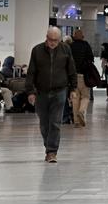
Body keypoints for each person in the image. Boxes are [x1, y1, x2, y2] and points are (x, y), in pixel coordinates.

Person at [26, 27, 77, 163]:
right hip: (41, 92)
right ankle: (48, 146)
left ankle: (52, 151)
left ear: (59, 39)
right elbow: (31, 72)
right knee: (44, 124)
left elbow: (71, 70)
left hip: (59, 91)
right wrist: (30, 92)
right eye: (50, 39)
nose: (52, 42)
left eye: (55, 40)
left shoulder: (65, 49)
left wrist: (73, 89)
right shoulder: (37, 50)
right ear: (46, 37)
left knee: (55, 122)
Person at [69, 29, 96, 127]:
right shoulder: (86, 45)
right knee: (85, 96)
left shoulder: (70, 47)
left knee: (75, 98)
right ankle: (81, 111)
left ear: (74, 36)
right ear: (83, 36)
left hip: (73, 76)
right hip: (85, 76)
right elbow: (91, 59)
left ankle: (76, 121)